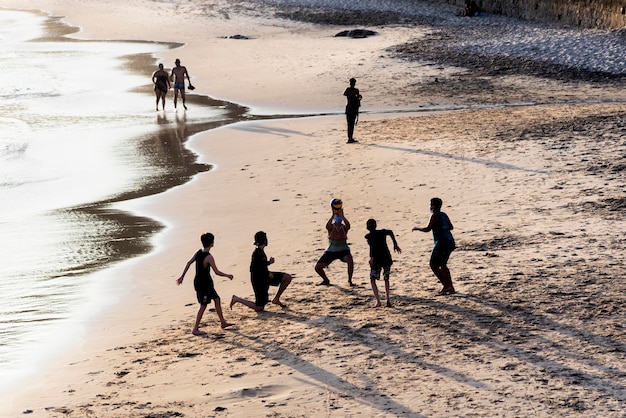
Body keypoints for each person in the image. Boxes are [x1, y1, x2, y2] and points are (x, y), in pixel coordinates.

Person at [176, 232, 234, 335]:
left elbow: (188, 263)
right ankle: (195, 329)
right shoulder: (209, 257)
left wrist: (182, 277)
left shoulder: (199, 252)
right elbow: (217, 272)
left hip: (200, 282)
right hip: (204, 284)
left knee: (217, 299)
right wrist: (227, 275)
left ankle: (223, 322)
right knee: (203, 305)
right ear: (212, 243)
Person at [230, 231, 292, 311]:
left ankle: (276, 299)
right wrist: (267, 272)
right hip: (258, 280)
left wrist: (269, 263)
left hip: (264, 276)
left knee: (287, 277)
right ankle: (237, 299)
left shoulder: (260, 251)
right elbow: (255, 269)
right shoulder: (257, 253)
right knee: (259, 307)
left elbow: (261, 264)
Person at [412, 198, 456, 295]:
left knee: (433, 264)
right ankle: (450, 286)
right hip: (450, 241)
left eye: (431, 205)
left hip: (441, 243)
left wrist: (418, 228)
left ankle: (446, 285)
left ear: (433, 206)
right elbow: (451, 227)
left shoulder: (435, 216)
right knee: (443, 264)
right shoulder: (444, 215)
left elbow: (428, 229)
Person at [315, 199, 354, 286]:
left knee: (350, 260)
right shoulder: (331, 227)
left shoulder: (343, 227)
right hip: (331, 251)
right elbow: (327, 226)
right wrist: (332, 215)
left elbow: (348, 226)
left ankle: (350, 280)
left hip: (343, 250)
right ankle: (326, 280)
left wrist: (343, 216)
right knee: (318, 267)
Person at [365, 218, 401, 307]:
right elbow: (391, 232)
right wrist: (395, 244)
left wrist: (371, 258)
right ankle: (388, 299)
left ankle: (378, 301)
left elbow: (372, 248)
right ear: (376, 225)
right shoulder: (382, 232)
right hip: (386, 258)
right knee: (386, 278)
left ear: (367, 228)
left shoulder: (369, 237)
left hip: (377, 259)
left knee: (372, 279)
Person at [343, 78, 362, 143]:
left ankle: (350, 138)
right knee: (350, 124)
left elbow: (346, 94)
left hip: (351, 108)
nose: (352, 84)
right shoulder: (352, 90)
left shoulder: (354, 90)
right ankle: (350, 138)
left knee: (351, 124)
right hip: (351, 108)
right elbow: (346, 94)